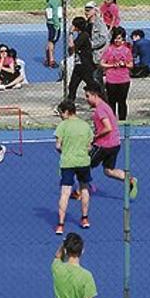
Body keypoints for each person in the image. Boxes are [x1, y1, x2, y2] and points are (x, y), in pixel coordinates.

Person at [84, 86, 138, 199]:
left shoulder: (100, 110)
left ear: (95, 95)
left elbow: (108, 127)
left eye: (88, 96)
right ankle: (130, 180)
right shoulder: (106, 106)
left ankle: (83, 190)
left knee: (82, 163)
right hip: (114, 144)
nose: (86, 99)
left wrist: (95, 136)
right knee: (109, 171)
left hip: (104, 145)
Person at [55, 100, 94, 235]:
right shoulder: (85, 126)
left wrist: (65, 151)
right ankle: (84, 219)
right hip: (83, 162)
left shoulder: (63, 126)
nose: (60, 116)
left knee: (65, 193)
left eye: (60, 113)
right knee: (84, 188)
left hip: (67, 163)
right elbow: (89, 146)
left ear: (66, 112)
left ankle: (60, 224)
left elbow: (58, 146)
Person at [99, 27, 133, 119]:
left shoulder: (126, 50)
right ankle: (112, 119)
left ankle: (122, 120)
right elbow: (102, 63)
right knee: (112, 101)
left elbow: (131, 65)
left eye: (119, 38)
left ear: (123, 39)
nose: (117, 40)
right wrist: (112, 65)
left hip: (124, 80)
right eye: (115, 38)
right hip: (111, 80)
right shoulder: (109, 49)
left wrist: (124, 64)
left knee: (122, 101)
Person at [66, 16, 97, 102]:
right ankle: (69, 104)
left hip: (85, 66)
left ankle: (101, 100)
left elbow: (72, 47)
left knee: (92, 85)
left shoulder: (83, 36)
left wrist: (70, 34)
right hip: (79, 65)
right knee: (72, 86)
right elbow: (71, 50)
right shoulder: (81, 35)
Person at [45, 0, 63, 68]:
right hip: (54, 23)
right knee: (52, 41)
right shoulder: (55, 0)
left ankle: (48, 58)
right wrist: (57, 25)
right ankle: (51, 60)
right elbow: (55, 13)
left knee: (50, 40)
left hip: (50, 22)